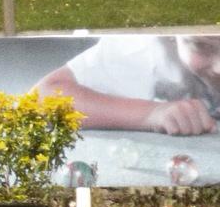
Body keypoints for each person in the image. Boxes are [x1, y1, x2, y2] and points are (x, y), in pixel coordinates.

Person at [32, 34, 220, 135]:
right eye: (201, 45)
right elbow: (41, 98)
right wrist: (151, 113)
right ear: (172, 35)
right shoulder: (145, 45)